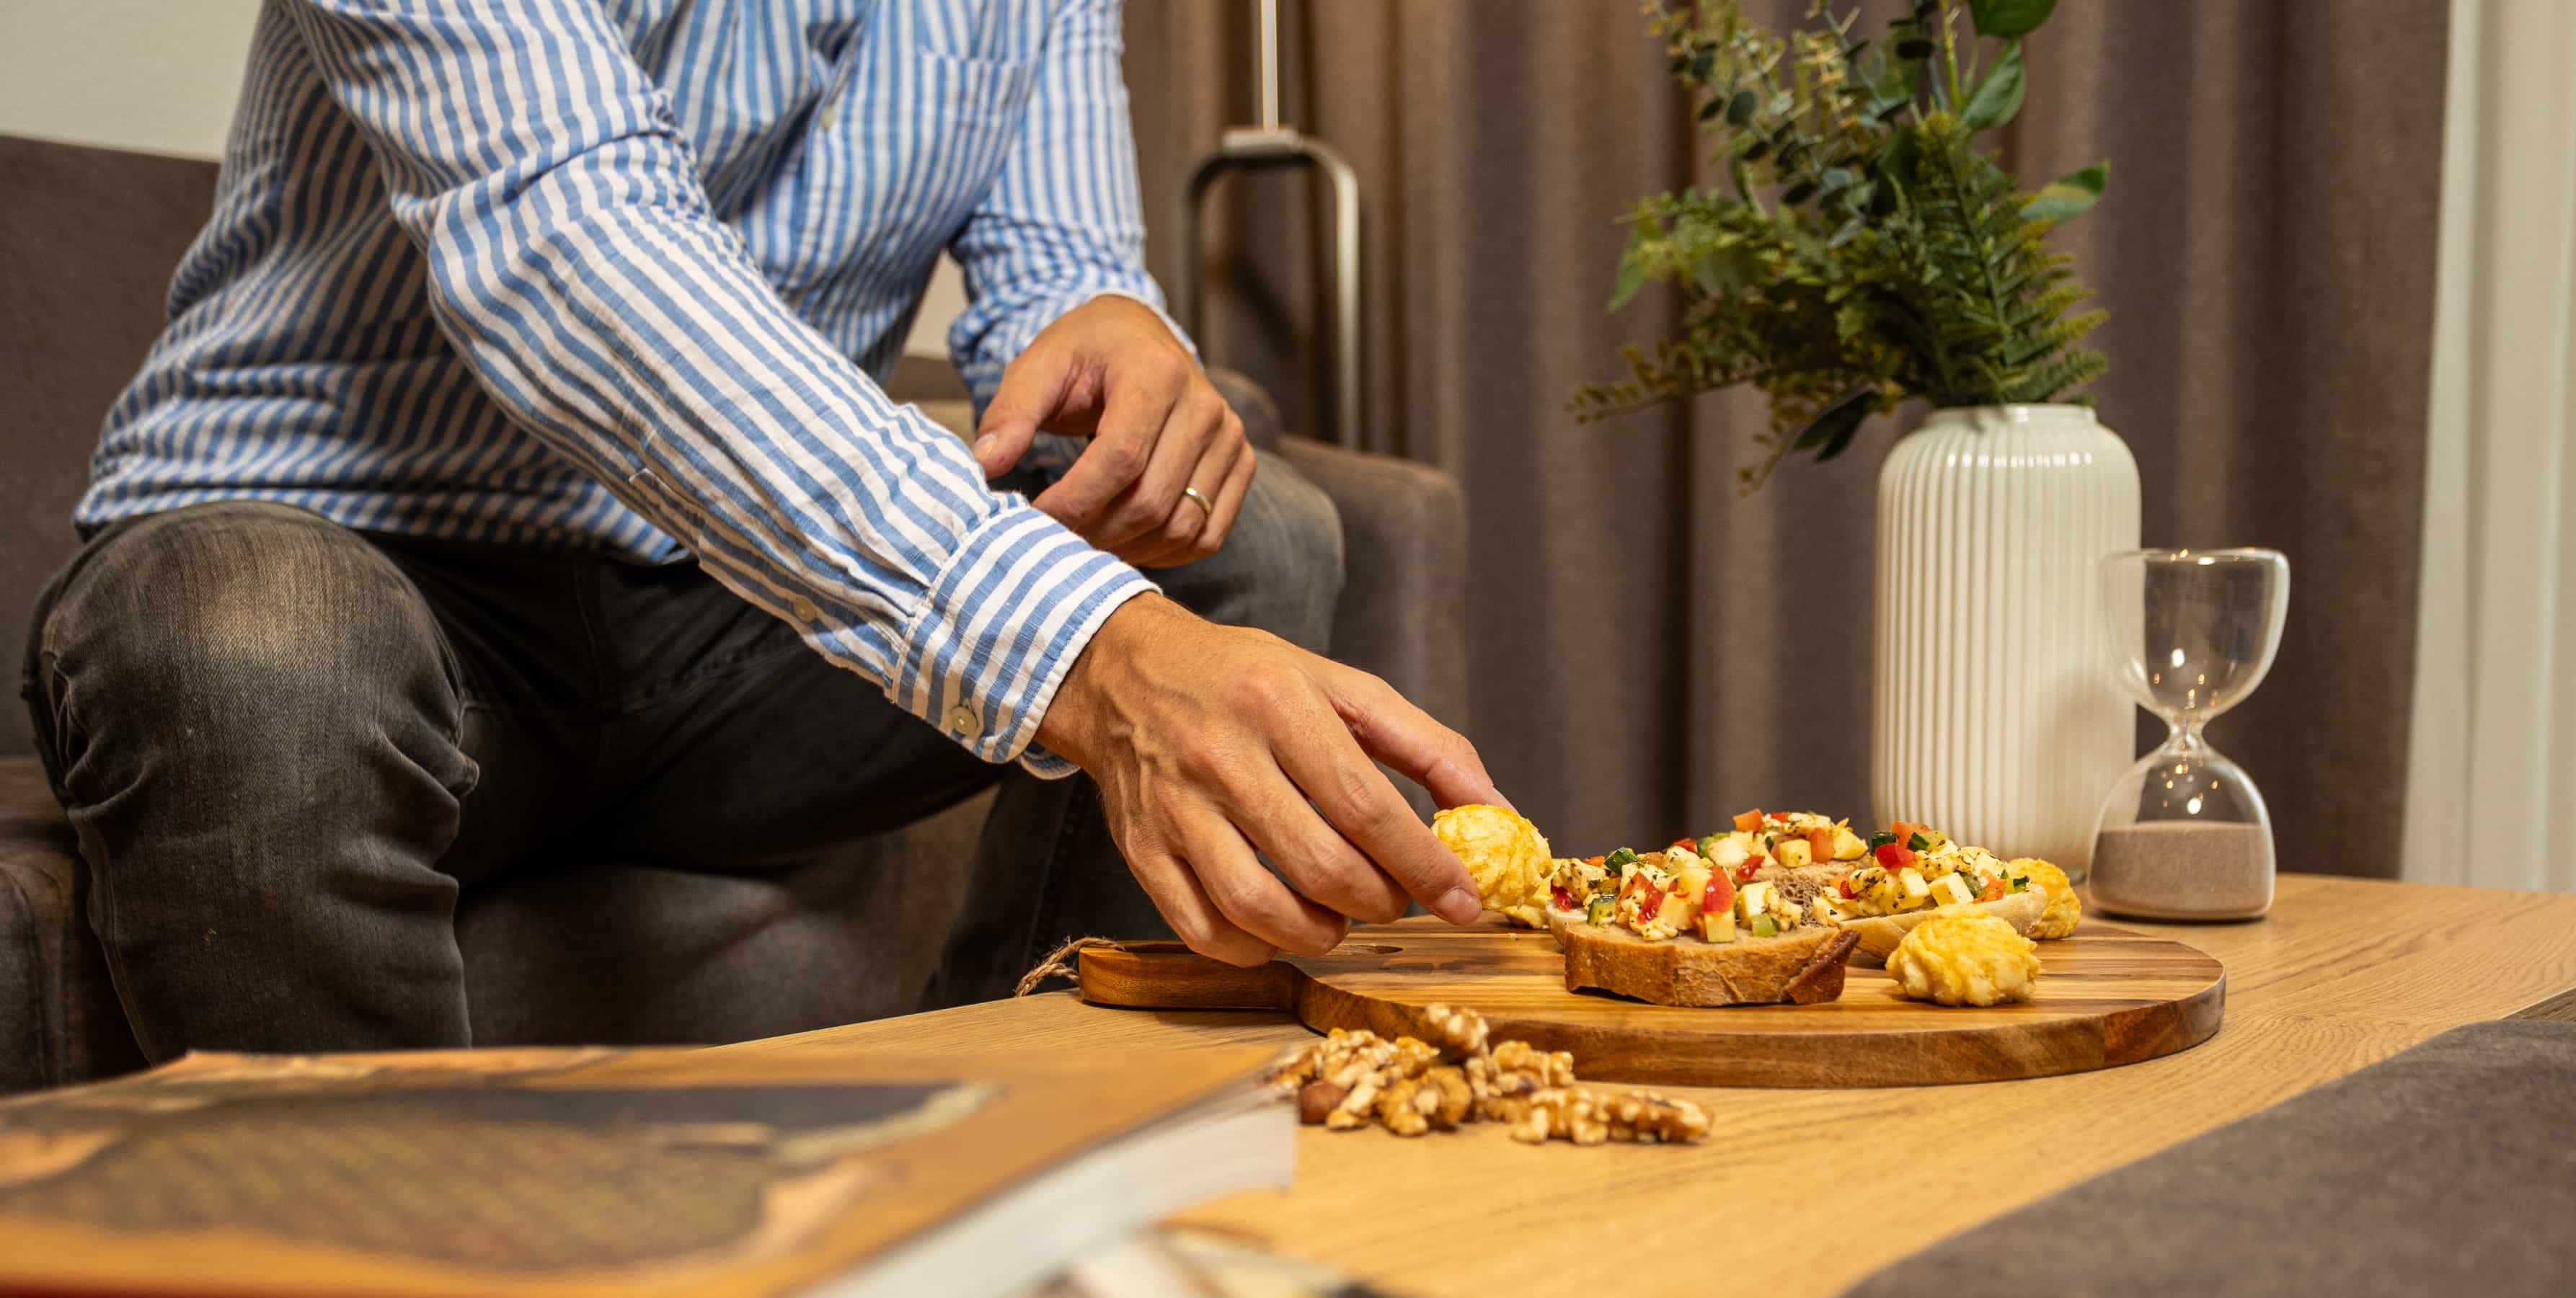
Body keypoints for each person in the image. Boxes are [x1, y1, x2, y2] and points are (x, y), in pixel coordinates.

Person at [24, 0, 1497, 1060]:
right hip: (360, 589)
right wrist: (1089, 654)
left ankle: (1018, 1165)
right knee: (246, 634)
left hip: (721, 626)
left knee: (1253, 544)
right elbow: (575, 249)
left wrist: (1113, 335)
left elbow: (1058, 253)